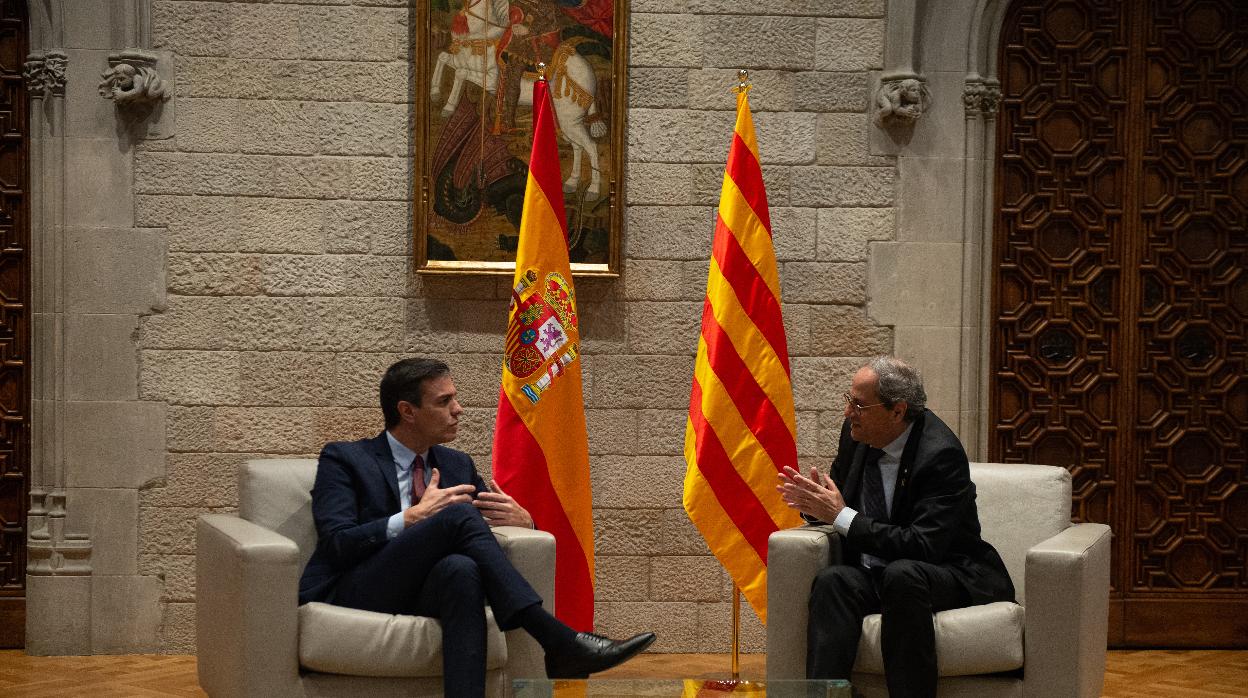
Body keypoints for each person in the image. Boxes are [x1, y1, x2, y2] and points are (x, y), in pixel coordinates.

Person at [298, 357, 654, 696]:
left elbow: (480, 536)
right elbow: (337, 543)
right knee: (455, 515)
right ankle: (555, 638)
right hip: (359, 587)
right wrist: (411, 518)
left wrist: (525, 521)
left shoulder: (456, 464)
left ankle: (547, 649)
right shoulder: (345, 458)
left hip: (428, 588)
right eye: (444, 401)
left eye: (455, 398)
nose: (458, 409)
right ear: (407, 411)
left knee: (461, 569)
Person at [777, 356, 1015, 698]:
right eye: (849, 401)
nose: (848, 414)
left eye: (858, 405)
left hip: (946, 571)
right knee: (833, 581)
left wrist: (841, 515)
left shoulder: (940, 454)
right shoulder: (856, 434)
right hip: (879, 572)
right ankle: (825, 696)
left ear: (897, 411)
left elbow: (924, 545)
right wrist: (815, 506)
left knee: (902, 575)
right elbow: (839, 502)